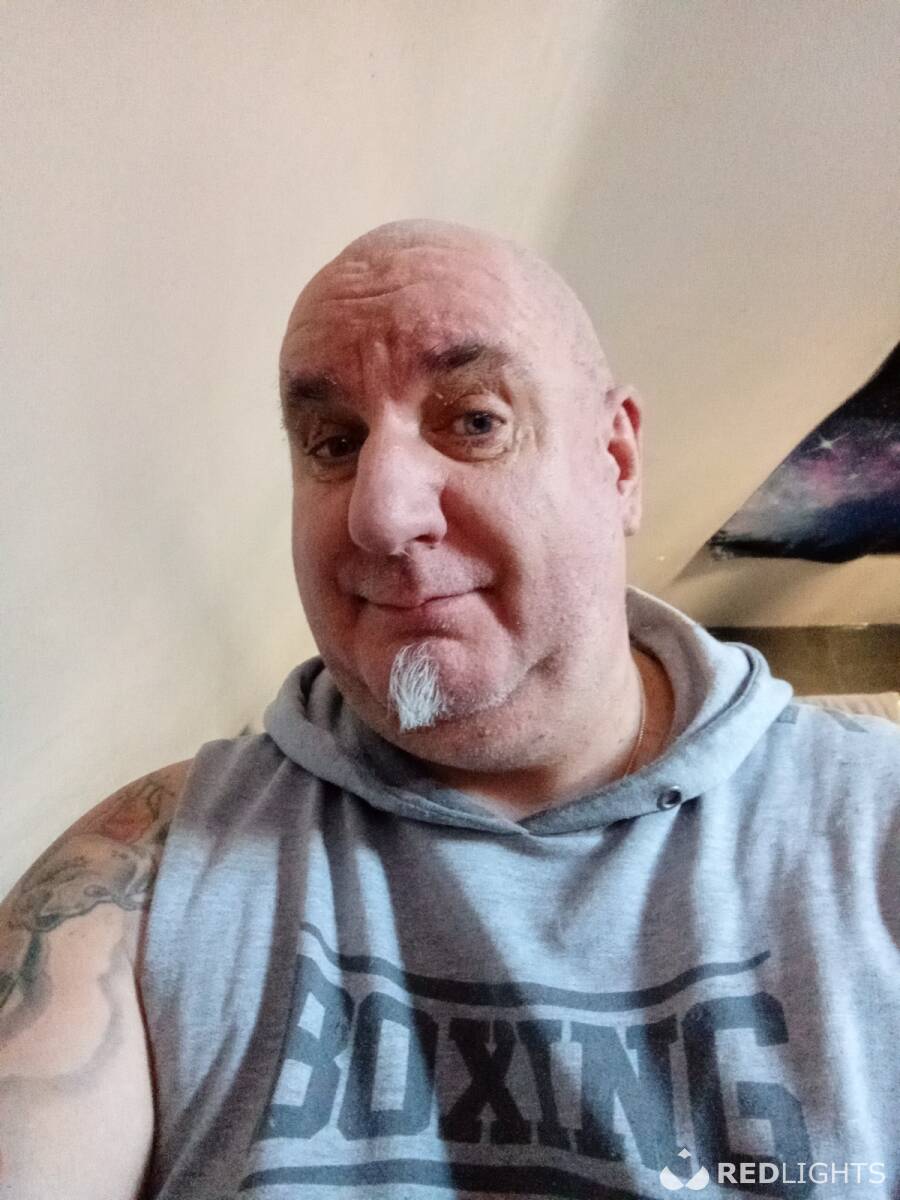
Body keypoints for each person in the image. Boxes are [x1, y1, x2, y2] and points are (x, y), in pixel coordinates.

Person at [1, 220, 897, 1200]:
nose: (380, 515)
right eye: (334, 443)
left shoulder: (875, 826)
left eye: (474, 421)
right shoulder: (143, 873)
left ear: (618, 462)